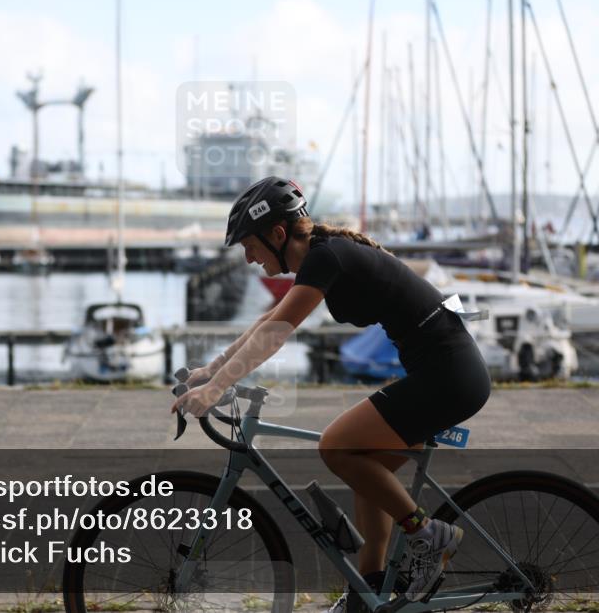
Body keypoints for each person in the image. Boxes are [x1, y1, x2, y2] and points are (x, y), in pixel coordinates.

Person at [171, 176, 491, 611]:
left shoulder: (327, 257)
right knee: (366, 465)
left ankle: (430, 535)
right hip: (446, 373)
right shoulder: (324, 258)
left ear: (278, 234)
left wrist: (216, 389)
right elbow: (269, 321)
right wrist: (212, 370)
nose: (248, 259)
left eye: (250, 246)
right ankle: (369, 591)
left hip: (449, 376)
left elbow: (277, 334)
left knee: (337, 446)